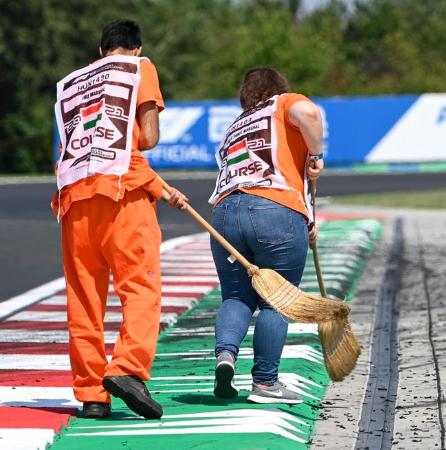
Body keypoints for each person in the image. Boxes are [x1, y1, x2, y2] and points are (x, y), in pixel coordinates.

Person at [52, 19, 188, 419]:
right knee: (141, 289)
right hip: (122, 196)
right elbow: (146, 138)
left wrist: (158, 186)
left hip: (74, 200)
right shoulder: (139, 67)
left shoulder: (74, 82)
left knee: (84, 300)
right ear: (137, 47)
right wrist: (154, 184)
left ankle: (93, 395)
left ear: (100, 52)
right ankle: (127, 369)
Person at [208, 67, 324, 404]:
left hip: (225, 214)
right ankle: (265, 382)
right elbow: (309, 113)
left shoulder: (234, 126)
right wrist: (317, 154)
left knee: (236, 296)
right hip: (274, 209)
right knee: (276, 300)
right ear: (278, 87)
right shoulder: (283, 103)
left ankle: (226, 355)